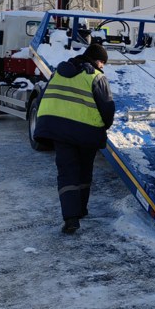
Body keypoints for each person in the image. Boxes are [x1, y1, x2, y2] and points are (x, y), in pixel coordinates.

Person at [33, 43, 115, 234]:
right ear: (96, 60)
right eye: (102, 62)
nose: (103, 66)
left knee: (67, 173)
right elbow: (107, 108)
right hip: (86, 132)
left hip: (59, 133)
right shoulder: (96, 77)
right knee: (84, 171)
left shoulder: (58, 72)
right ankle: (81, 210)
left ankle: (71, 218)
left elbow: (46, 96)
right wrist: (105, 125)